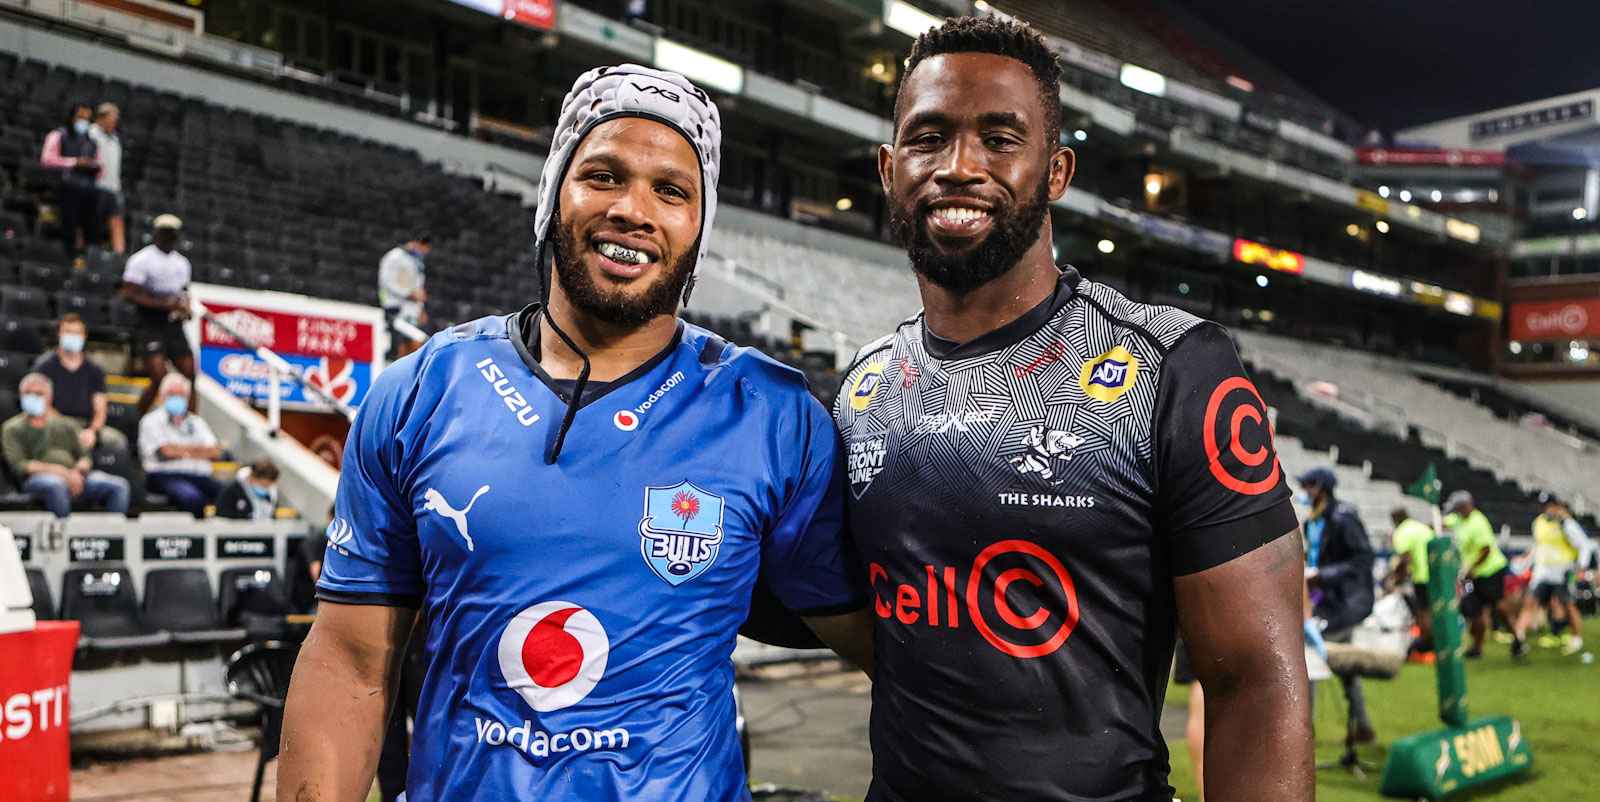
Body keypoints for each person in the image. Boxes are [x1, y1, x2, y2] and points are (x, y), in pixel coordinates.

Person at [279, 64, 874, 802]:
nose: (633, 209)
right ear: (554, 192)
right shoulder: (417, 394)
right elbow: (348, 665)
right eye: (603, 175)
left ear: (700, 224)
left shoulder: (772, 415)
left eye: (671, 190)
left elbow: (892, 648)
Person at [834, 17, 1311, 801]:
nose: (959, 166)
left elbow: (1255, 683)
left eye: (999, 138)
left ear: (1056, 172)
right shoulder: (862, 388)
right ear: (890, 168)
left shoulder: (1171, 369)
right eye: (929, 137)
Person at [1295, 467, 1376, 744]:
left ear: (1323, 488)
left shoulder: (1344, 518)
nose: (1306, 492)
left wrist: (1323, 574)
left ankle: (1305, 731)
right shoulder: (1312, 521)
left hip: (1343, 604)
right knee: (1344, 667)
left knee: (1313, 660)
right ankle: (1363, 727)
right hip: (1325, 601)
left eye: (1309, 487)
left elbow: (1363, 558)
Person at [2, 373, 129, 517]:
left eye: (38, 394)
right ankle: (63, 537)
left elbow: (85, 458)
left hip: (76, 477)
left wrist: (75, 472)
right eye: (28, 393)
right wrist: (62, 473)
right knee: (56, 485)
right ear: (20, 395)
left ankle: (112, 535)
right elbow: (20, 466)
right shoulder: (12, 428)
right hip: (38, 480)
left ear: (49, 398)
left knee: (119, 486)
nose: (33, 397)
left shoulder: (67, 424)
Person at [121, 214, 197, 413]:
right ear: (157, 235)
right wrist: (164, 305)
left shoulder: (182, 264)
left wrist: (185, 309)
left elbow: (184, 293)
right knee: (158, 375)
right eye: (167, 234)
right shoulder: (142, 260)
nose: (171, 239)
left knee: (190, 371)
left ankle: (192, 422)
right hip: (149, 322)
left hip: (172, 324)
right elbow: (128, 294)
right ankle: (140, 416)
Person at [31, 313, 130, 458]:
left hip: (86, 425)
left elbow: (100, 409)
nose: (73, 336)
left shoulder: (95, 370)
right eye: (68, 332)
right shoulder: (44, 366)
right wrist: (70, 429)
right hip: (53, 423)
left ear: (84, 336)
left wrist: (93, 431)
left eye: (77, 333)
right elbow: (42, 404)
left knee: (117, 441)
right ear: (59, 334)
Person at [1516, 493, 1594, 656]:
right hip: (1542, 572)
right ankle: (1518, 637)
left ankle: (1576, 638)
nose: (1546, 509)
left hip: (1561, 572)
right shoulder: (1538, 523)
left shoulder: (1567, 524)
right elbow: (1538, 546)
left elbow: (1584, 545)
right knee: (1530, 603)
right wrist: (1525, 562)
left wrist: (1581, 567)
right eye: (1544, 506)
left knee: (1568, 605)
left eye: (1549, 505)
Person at [138, 373, 222, 517]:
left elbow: (214, 452)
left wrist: (180, 451)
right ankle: (197, 537)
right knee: (192, 498)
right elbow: (165, 452)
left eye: (181, 394)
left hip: (198, 476)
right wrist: (197, 450)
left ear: (187, 398)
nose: (177, 398)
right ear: (162, 395)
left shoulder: (196, 422)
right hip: (164, 475)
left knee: (231, 493)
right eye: (172, 394)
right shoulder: (150, 421)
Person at [1444, 490, 1516, 658]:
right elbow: (1444, 523)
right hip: (1476, 574)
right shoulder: (1460, 520)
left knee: (1498, 606)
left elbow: (1486, 550)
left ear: (1466, 506)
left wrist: (1471, 569)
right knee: (1475, 609)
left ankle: (1516, 636)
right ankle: (1477, 647)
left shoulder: (1479, 523)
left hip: (1491, 570)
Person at [38, 103, 101, 260]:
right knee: (69, 225)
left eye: (87, 118)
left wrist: (92, 166)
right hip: (65, 186)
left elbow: (100, 165)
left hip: (87, 188)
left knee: (91, 227)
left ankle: (86, 258)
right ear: (72, 117)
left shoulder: (92, 142)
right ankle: (66, 257)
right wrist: (74, 162)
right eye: (80, 117)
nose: (84, 121)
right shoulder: (59, 135)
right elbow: (47, 159)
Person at [1387, 507, 1437, 659]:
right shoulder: (1421, 527)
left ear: (1395, 520)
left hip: (1422, 576)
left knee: (1422, 612)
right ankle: (1438, 643)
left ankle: (1427, 645)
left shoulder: (1402, 532)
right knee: (1435, 611)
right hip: (1437, 573)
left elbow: (1405, 557)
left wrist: (1394, 579)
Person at [378, 232, 431, 361]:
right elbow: (386, 282)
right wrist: (408, 295)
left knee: (413, 347)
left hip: (411, 311)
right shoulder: (394, 257)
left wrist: (420, 309)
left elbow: (417, 287)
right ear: (414, 242)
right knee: (399, 346)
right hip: (394, 307)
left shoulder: (417, 262)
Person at [88, 102, 125, 255]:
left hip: (113, 187)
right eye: (111, 120)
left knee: (117, 221)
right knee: (91, 221)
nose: (113, 124)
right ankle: (86, 252)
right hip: (95, 185)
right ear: (101, 118)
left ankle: (119, 256)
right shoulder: (91, 133)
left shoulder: (115, 139)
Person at [214, 456, 280, 521]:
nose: (265, 489)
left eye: (267, 486)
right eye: (262, 485)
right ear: (253, 477)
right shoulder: (230, 492)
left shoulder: (271, 495)